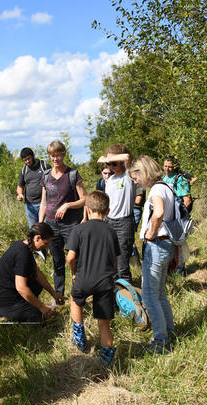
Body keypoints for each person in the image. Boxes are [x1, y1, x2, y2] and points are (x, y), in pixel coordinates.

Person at [66, 191, 120, 366]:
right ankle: (106, 358)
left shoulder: (78, 229)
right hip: (104, 281)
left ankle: (79, 337)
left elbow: (70, 258)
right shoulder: (111, 232)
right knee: (104, 323)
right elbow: (116, 259)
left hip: (83, 279)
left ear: (87, 210)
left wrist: (75, 273)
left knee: (75, 301)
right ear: (108, 211)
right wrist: (111, 274)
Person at [131, 155, 176, 354]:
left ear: (144, 172)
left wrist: (151, 232)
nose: (135, 182)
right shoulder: (166, 186)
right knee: (159, 294)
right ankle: (169, 331)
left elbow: (158, 213)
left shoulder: (157, 190)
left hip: (157, 245)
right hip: (166, 245)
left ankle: (161, 341)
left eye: (136, 177)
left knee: (149, 296)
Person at [38, 139, 86, 298]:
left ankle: (78, 294)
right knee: (57, 261)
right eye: (52, 156)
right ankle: (59, 296)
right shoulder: (46, 176)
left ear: (64, 154)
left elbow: (84, 200)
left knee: (74, 259)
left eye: (58, 155)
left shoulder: (72, 174)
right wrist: (40, 224)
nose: (55, 159)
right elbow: (44, 202)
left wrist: (68, 205)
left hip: (70, 224)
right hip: (51, 225)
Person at [0, 222, 62, 322]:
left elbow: (37, 273)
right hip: (2, 299)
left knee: (37, 284)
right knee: (38, 317)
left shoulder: (24, 246)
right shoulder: (22, 253)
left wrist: (53, 293)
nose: (47, 247)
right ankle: (3, 313)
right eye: (46, 243)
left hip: (9, 293)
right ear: (37, 238)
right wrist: (42, 307)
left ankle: (23, 307)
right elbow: (21, 287)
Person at [102, 144, 141, 282]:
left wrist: (110, 158)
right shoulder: (110, 180)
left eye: (114, 163)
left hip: (124, 223)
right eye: (109, 164)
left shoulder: (128, 176)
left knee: (122, 265)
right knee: (110, 263)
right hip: (109, 221)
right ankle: (114, 291)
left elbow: (128, 157)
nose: (111, 166)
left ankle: (127, 292)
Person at [16, 147, 50, 227]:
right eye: (25, 160)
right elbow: (20, 186)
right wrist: (20, 194)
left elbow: (52, 182)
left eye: (28, 158)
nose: (27, 161)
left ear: (33, 156)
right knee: (33, 229)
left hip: (44, 204)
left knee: (45, 228)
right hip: (30, 206)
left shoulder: (44, 165)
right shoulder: (24, 170)